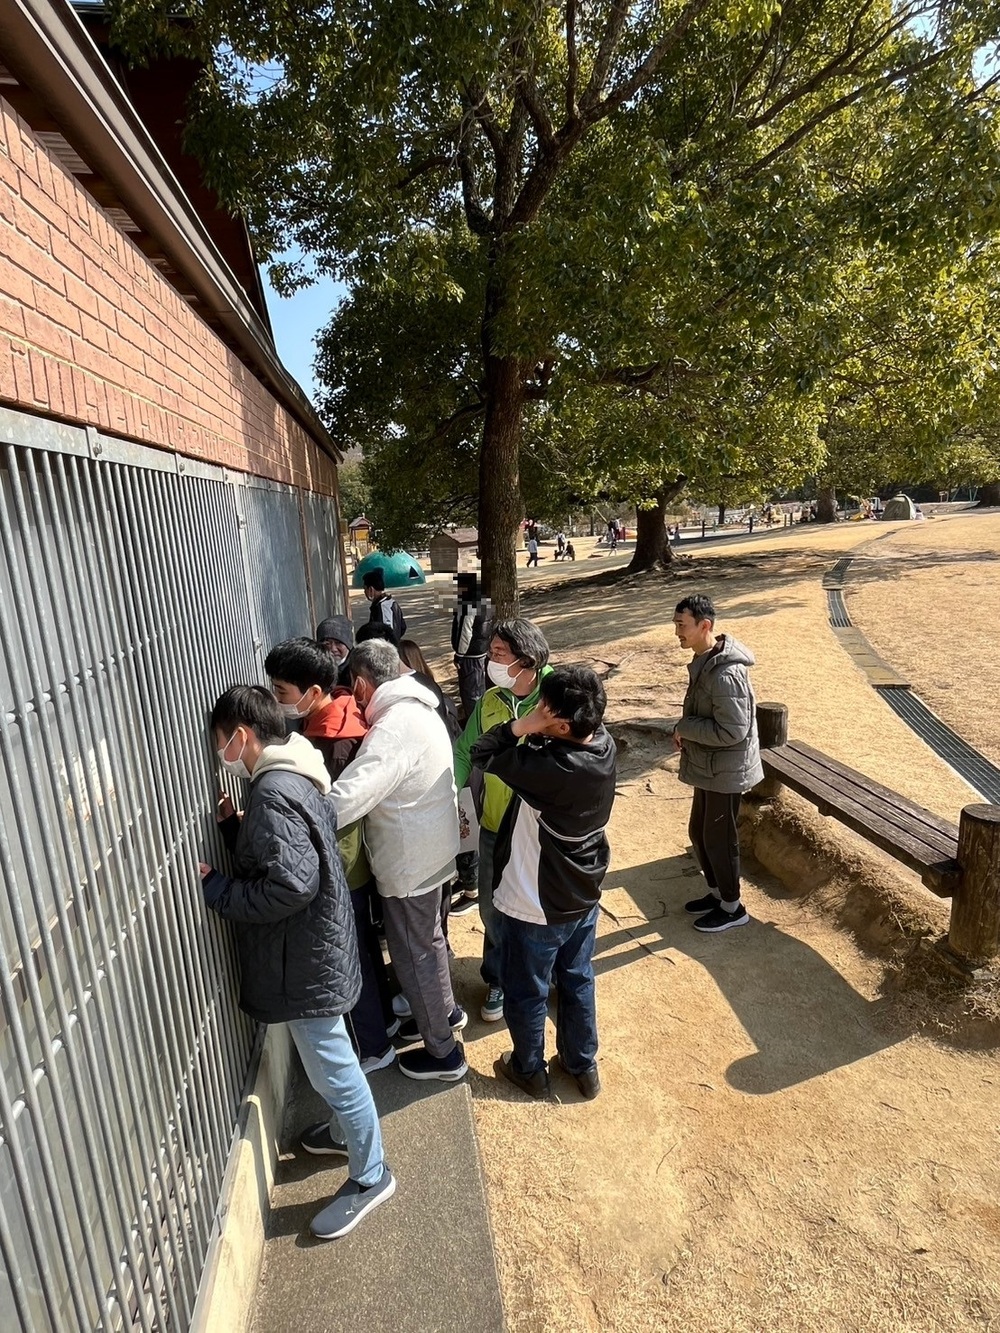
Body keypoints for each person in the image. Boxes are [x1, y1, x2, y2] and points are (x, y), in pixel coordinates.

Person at [199, 685, 394, 1238]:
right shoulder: (296, 771)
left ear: (241, 736)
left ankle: (372, 1175)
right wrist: (235, 829)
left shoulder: (271, 792)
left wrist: (219, 892)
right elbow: (285, 855)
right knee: (334, 1061)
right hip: (317, 949)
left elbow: (291, 884)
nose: (221, 755)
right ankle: (343, 1133)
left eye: (220, 743)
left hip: (304, 960)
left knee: (334, 1068)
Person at [471, 667, 616, 1100]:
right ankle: (582, 1065)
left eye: (545, 708)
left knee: (527, 989)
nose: (538, 708)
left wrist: (523, 725)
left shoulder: (550, 768)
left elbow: (482, 752)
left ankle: (528, 1069)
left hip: (536, 901)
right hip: (583, 893)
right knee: (577, 978)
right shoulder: (602, 744)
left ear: (564, 726)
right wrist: (545, 725)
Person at [330, 640, 467, 1082]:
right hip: (434, 848)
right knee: (430, 944)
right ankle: (446, 1014)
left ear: (361, 685)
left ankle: (444, 1054)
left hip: (411, 862)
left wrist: (302, 812)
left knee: (414, 956)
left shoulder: (392, 729)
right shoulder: (418, 707)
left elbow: (351, 795)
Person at [265, 637, 397, 1074]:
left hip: (342, 866)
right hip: (351, 865)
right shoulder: (335, 717)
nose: (279, 700)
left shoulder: (334, 741)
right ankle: (383, 1027)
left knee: (349, 960)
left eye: (282, 691)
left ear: (314, 691)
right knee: (363, 952)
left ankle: (372, 1046)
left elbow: (329, 811)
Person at [452, 619, 552, 1020]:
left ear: (525, 659)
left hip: (544, 831)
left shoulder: (557, 694)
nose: (489, 661)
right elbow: (464, 751)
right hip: (494, 825)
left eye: (498, 654)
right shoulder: (490, 700)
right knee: (492, 908)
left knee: (542, 907)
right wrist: (451, 794)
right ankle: (497, 978)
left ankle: (544, 976)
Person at [672, 594, 763, 933]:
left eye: (682, 625)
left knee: (719, 839)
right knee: (699, 831)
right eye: (676, 624)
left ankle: (733, 907)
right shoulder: (705, 660)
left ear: (704, 625)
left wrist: (686, 727)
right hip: (708, 765)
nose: (677, 632)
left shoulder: (725, 673)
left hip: (726, 769)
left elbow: (733, 731)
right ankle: (717, 894)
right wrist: (686, 730)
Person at [451, 573, 489, 717]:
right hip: (482, 652)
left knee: (471, 694)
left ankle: (475, 724)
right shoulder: (484, 600)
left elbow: (465, 632)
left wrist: (459, 655)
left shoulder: (468, 604)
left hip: (470, 655)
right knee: (480, 690)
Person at [363, 568, 407, 638]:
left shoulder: (382, 607)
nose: (364, 592)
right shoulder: (392, 603)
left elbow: (385, 634)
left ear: (371, 589)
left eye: (365, 589)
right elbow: (403, 627)